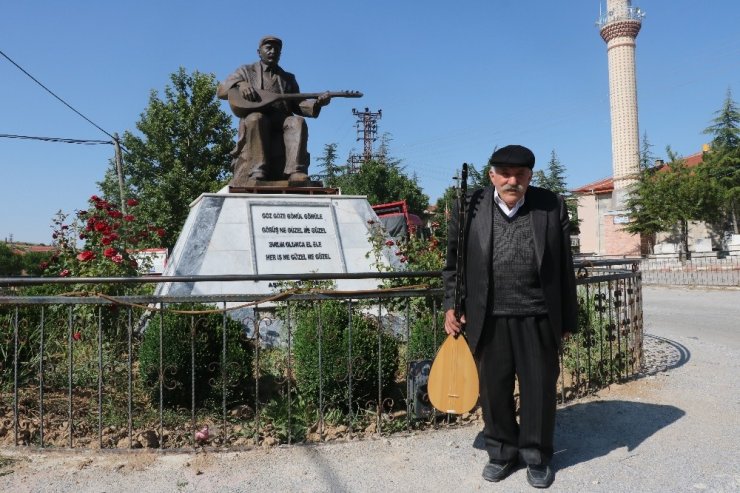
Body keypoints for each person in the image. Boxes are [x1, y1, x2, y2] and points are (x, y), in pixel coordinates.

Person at [442, 144, 578, 489]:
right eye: (505, 173)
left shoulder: (551, 205)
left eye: (519, 174)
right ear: (492, 175)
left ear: (530, 176)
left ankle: (536, 455)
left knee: (539, 389)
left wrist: (567, 320)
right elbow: (453, 263)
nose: (512, 180)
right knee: (493, 390)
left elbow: (564, 268)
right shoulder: (469, 206)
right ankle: (501, 452)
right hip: (487, 316)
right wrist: (450, 305)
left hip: (538, 314)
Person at [217, 35, 330, 186]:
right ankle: (257, 171)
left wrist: (317, 104)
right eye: (268, 48)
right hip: (258, 117)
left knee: (297, 121)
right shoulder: (246, 71)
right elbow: (221, 90)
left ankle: (295, 172)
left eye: (276, 49)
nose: (272, 51)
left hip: (281, 119)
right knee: (256, 118)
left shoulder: (288, 78)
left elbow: (298, 104)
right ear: (259, 52)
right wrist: (241, 84)